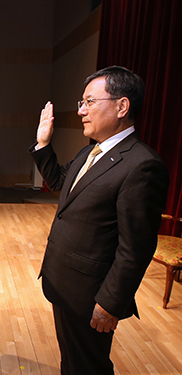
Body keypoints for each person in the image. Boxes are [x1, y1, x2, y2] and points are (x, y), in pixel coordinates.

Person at [28, 66, 169, 374]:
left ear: (122, 106)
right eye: (82, 102)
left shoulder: (142, 165)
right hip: (65, 283)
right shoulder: (90, 152)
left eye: (89, 102)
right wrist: (43, 144)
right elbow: (59, 181)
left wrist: (110, 303)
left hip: (90, 296)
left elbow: (136, 247)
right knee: (73, 361)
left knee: (89, 367)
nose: (81, 110)